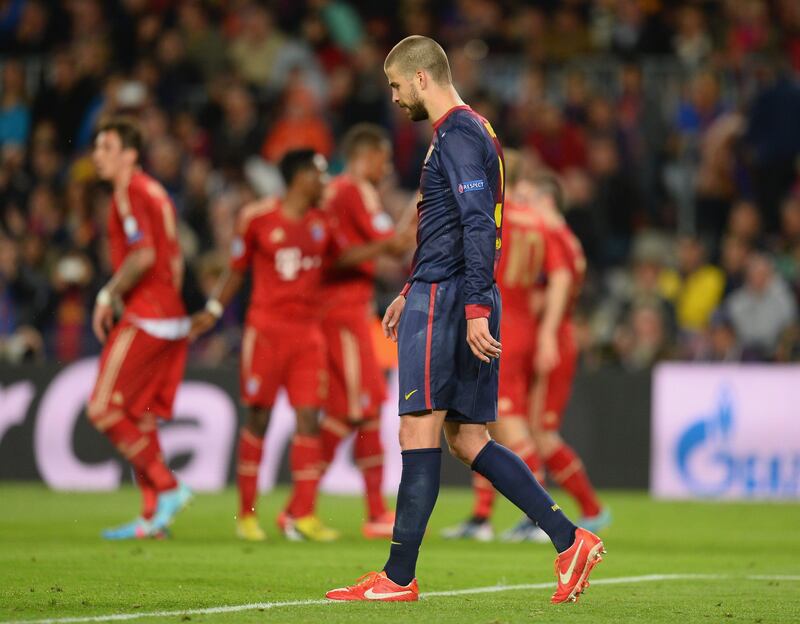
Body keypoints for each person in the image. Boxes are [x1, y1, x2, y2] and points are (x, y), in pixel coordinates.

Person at [326, 35, 605, 605]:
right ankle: (568, 539)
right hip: (443, 292)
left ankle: (398, 577)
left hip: (451, 301)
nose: (396, 96)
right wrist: (409, 286)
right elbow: (449, 227)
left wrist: (470, 305)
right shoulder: (473, 130)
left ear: (422, 79)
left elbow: (480, 225)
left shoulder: (455, 134)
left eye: (397, 85)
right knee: (468, 438)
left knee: (418, 429)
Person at [190, 149, 404, 542]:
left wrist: (383, 247)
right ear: (299, 177)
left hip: (308, 336)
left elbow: (343, 257)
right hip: (266, 333)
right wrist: (215, 308)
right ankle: (247, 515)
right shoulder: (257, 218)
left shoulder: (322, 223)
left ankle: (304, 515)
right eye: (319, 175)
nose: (325, 182)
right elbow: (236, 270)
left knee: (309, 420)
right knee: (259, 420)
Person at [87, 117, 192, 540]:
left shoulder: (129, 190)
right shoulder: (154, 192)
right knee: (140, 416)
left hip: (147, 314)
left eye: (106, 147)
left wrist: (107, 294)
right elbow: (175, 259)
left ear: (130, 154)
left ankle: (168, 486)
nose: (97, 156)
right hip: (170, 315)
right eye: (96, 148)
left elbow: (144, 254)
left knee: (104, 409)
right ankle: (152, 519)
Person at [318, 123, 413, 539]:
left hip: (353, 308)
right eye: (384, 158)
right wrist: (418, 207)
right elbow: (382, 247)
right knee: (366, 405)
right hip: (341, 311)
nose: (387, 166)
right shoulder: (349, 190)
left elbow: (389, 244)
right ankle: (375, 511)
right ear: (367, 155)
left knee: (346, 411)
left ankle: (297, 506)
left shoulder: (354, 192)